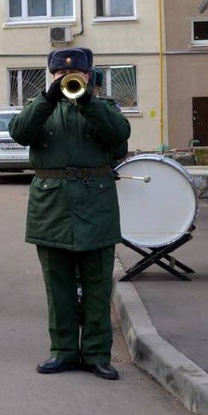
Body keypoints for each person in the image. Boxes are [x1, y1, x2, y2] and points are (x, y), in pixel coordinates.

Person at [8, 47, 131, 381]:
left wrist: (87, 102)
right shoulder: (40, 107)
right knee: (58, 284)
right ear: (51, 75)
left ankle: (96, 354)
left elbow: (120, 136)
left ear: (88, 75)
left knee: (97, 284)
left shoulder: (103, 107)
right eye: (59, 73)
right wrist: (48, 99)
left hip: (97, 204)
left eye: (75, 72)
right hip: (51, 207)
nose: (66, 77)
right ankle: (62, 351)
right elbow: (19, 133)